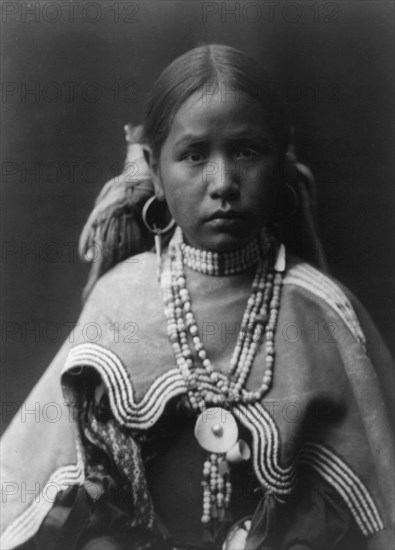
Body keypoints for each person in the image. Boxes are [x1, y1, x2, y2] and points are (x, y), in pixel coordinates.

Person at [1, 44, 394, 550]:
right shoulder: (122, 299)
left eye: (247, 151)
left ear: (282, 159)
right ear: (154, 170)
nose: (224, 183)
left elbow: (370, 499)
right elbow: (66, 477)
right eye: (193, 155)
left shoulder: (319, 309)